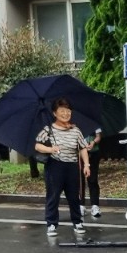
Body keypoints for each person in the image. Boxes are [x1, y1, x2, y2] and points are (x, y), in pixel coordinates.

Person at [34, 98, 90, 236]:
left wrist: (87, 165)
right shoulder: (49, 129)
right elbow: (37, 145)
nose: (66, 113)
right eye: (62, 111)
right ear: (55, 113)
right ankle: (51, 224)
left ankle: (77, 222)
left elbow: (83, 148)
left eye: (68, 110)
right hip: (55, 167)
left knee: (74, 196)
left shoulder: (76, 130)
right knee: (53, 196)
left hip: (72, 167)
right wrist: (51, 149)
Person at [82, 126, 103, 219]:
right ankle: (81, 205)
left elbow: (98, 136)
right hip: (79, 154)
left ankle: (95, 205)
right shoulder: (73, 122)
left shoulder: (94, 122)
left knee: (93, 179)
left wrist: (93, 142)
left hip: (93, 153)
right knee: (79, 180)